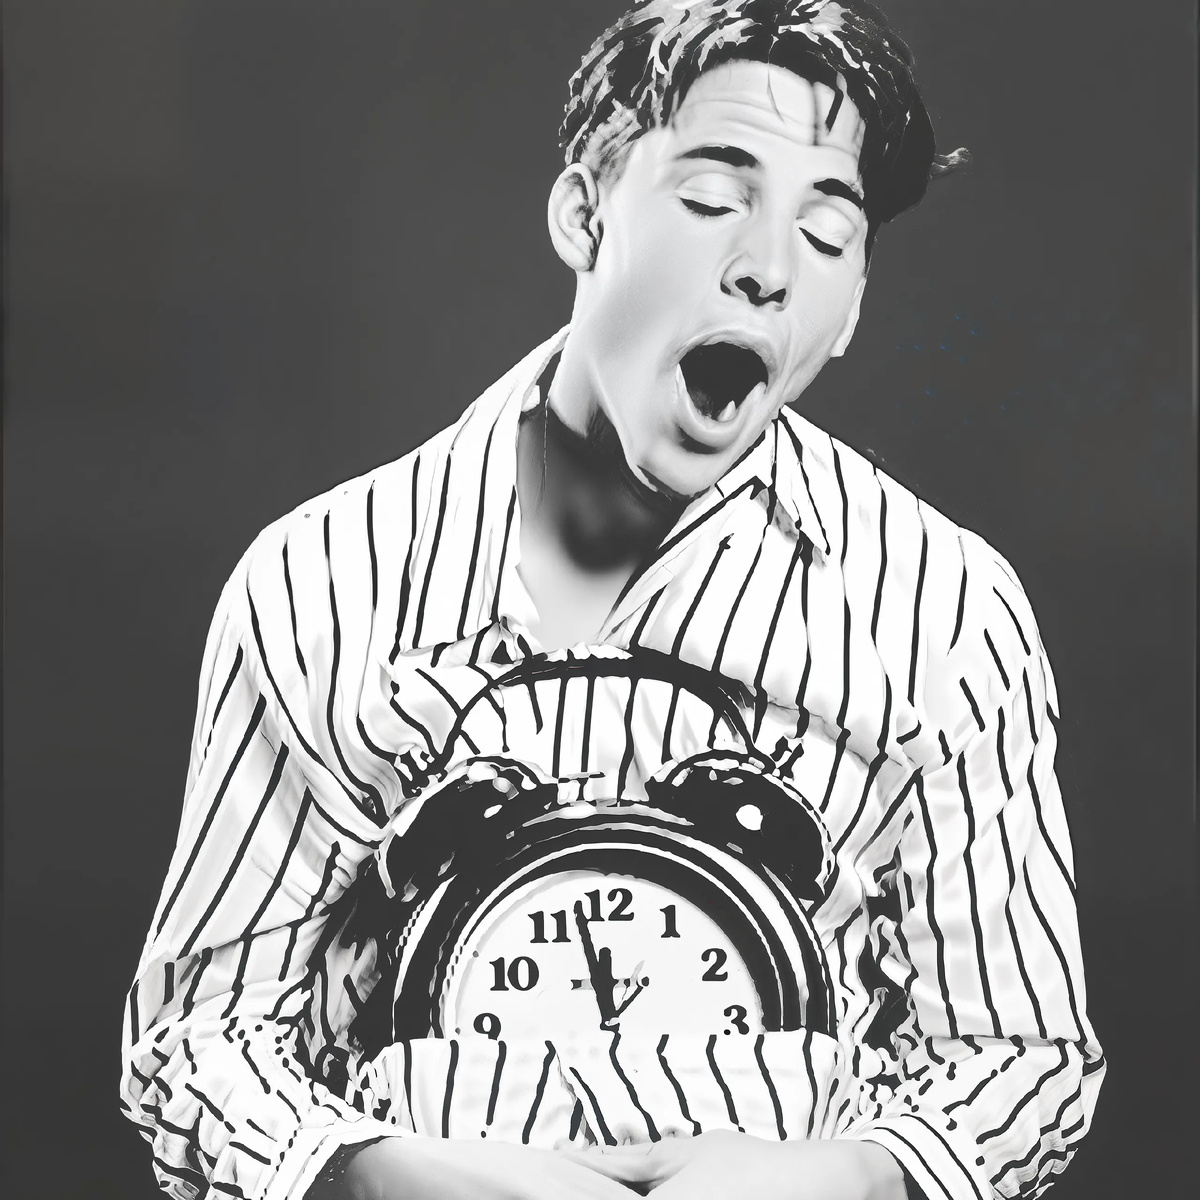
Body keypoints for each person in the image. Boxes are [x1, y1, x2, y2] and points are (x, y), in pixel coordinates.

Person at [120, 3, 1104, 1198]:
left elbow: (1020, 1057)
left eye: (827, 230)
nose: (768, 266)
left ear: (851, 307)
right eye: (714, 197)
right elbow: (198, 1042)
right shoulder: (319, 584)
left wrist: (846, 1177)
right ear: (585, 214)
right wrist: (381, 1174)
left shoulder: (947, 614)